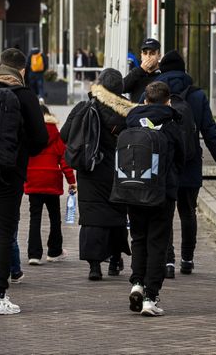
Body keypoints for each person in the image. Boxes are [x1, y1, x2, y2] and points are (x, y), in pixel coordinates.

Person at [0, 48, 48, 315]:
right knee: (3, 229)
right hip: (9, 168)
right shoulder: (24, 95)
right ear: (22, 70)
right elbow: (40, 138)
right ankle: (0, 296)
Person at [157, 50, 216, 276]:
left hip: (164, 164)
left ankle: (168, 261)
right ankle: (187, 259)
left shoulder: (154, 92)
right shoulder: (197, 95)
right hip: (190, 162)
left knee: (165, 213)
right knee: (188, 211)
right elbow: (210, 132)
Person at [60, 68, 135, 281]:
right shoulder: (128, 111)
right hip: (118, 170)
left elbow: (65, 135)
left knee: (92, 216)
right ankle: (114, 260)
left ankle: (94, 266)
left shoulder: (84, 107)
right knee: (117, 215)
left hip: (90, 170)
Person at [124, 81, 187, 317]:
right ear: (168, 100)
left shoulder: (131, 119)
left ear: (145, 100)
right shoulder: (171, 123)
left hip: (133, 188)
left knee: (138, 238)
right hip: (162, 192)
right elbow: (183, 155)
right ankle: (151, 296)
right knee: (158, 242)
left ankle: (137, 283)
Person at [24, 104, 76, 265]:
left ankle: (34, 254)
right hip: (52, 179)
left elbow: (23, 157)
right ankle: (54, 251)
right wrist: (72, 181)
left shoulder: (28, 133)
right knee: (55, 218)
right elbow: (64, 160)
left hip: (34, 178)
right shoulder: (56, 134)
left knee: (35, 218)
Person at [122, 38, 162, 103]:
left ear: (159, 56)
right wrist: (141, 70)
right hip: (137, 112)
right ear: (141, 56)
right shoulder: (137, 73)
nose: (148, 57)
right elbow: (122, 87)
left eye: (152, 53)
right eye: (145, 53)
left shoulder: (163, 74)